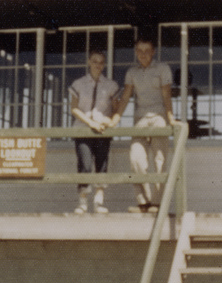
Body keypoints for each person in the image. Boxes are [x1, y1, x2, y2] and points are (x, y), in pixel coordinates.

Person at [108, 37, 178, 213]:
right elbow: (125, 97)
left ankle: (157, 203)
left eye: (147, 50)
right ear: (136, 53)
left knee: (160, 160)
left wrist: (170, 118)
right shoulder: (132, 72)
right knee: (136, 159)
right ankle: (144, 202)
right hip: (140, 119)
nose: (143, 54)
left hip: (158, 117)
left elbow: (166, 96)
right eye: (140, 51)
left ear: (153, 52)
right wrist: (115, 119)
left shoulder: (162, 69)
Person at [69, 50, 119, 214]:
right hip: (83, 129)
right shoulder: (79, 83)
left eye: (101, 62)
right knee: (85, 164)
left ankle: (99, 202)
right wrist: (90, 122)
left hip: (102, 130)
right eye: (94, 61)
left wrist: (109, 121)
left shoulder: (111, 85)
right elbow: (74, 109)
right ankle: (82, 202)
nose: (98, 65)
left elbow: (116, 110)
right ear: (89, 62)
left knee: (102, 164)